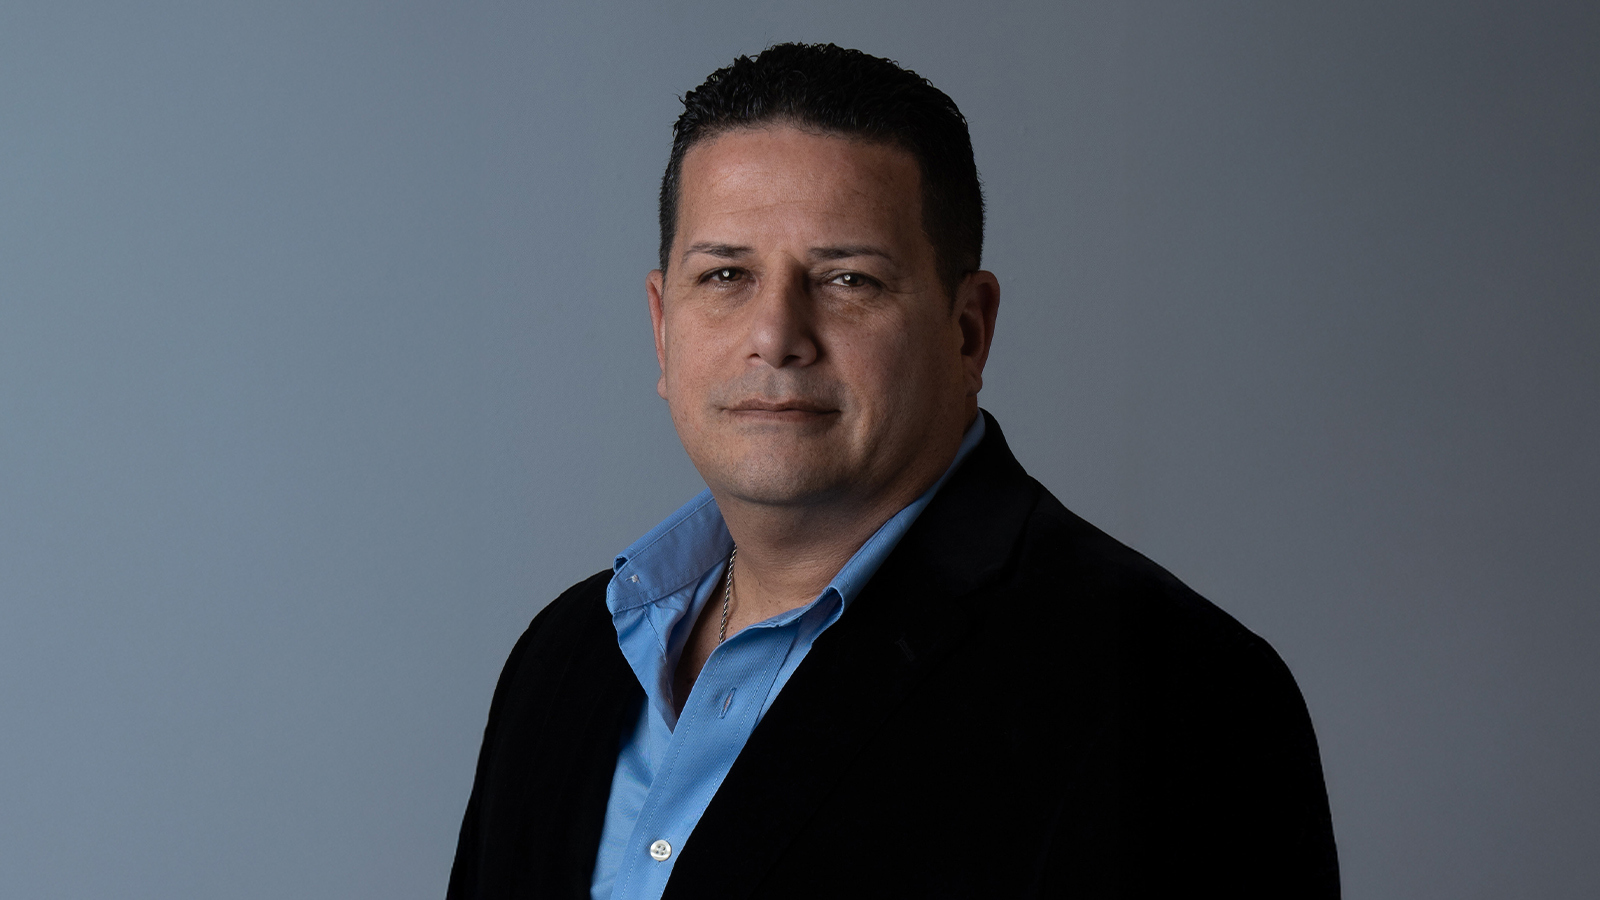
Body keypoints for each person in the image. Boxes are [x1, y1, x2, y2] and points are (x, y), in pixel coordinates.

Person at [447, 43, 1339, 900]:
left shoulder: (1179, 699)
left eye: (847, 281)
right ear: (661, 323)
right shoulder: (564, 662)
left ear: (968, 331)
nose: (776, 337)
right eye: (725, 275)